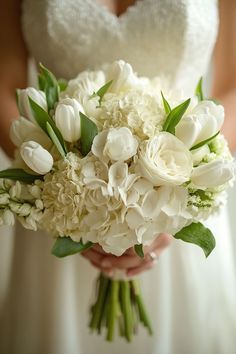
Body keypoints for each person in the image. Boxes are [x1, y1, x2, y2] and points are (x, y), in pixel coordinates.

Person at [0, 1, 236, 353]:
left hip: (180, 207)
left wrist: (168, 210)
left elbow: (231, 87)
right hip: (56, 206)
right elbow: (5, 88)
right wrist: (73, 206)